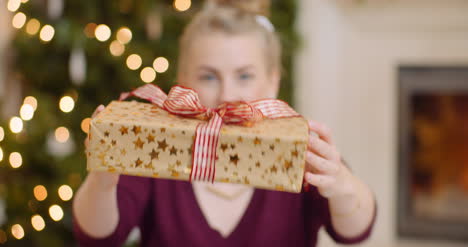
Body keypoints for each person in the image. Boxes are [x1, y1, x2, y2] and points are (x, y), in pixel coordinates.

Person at [73, 0, 377, 246]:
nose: (227, 95)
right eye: (208, 76)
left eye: (244, 76)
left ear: (273, 83)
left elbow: (354, 231)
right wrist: (101, 182)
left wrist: (341, 185)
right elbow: (98, 236)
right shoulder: (155, 147)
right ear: (183, 83)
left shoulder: (299, 155)